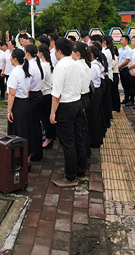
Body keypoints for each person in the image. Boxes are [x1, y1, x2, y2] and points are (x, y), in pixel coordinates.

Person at [50, 38, 88, 187]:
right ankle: (80, 172)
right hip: (77, 103)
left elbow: (56, 94)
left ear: (59, 51)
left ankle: (70, 177)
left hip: (65, 107)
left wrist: (53, 112)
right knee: (79, 139)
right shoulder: (76, 63)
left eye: (54, 50)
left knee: (68, 143)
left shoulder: (61, 66)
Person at [6, 48, 35, 165]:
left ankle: (18, 160)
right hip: (26, 103)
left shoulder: (15, 73)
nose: (10, 58)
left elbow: (12, 93)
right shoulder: (26, 70)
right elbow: (27, 91)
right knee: (27, 132)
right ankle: (27, 160)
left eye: (11, 56)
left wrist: (9, 110)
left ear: (15, 59)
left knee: (18, 133)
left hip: (17, 105)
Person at [25, 44, 45, 161]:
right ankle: (38, 152)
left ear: (27, 53)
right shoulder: (38, 64)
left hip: (32, 97)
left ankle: (34, 152)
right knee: (37, 125)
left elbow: (27, 86)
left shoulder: (30, 66)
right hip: (38, 95)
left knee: (32, 126)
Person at [38, 43, 55, 149]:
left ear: (41, 53)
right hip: (48, 93)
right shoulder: (48, 63)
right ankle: (49, 137)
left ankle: (48, 138)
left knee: (45, 119)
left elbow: (40, 81)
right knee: (46, 118)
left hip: (45, 94)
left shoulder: (44, 66)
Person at [118, 35, 134, 104]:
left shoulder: (129, 50)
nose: (120, 41)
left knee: (129, 85)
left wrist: (119, 66)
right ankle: (126, 98)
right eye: (120, 40)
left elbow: (127, 60)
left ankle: (131, 99)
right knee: (124, 85)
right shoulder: (119, 49)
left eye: (122, 40)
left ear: (126, 41)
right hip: (121, 69)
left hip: (126, 69)